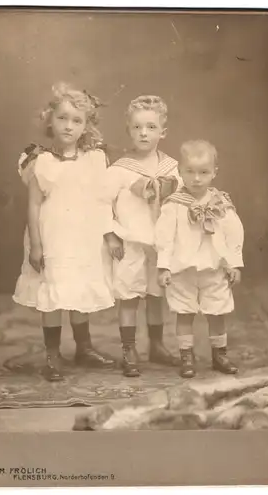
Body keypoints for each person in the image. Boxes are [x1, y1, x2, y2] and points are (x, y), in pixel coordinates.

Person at [13, 82, 115, 382]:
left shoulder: (95, 159)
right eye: (62, 118)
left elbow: (103, 200)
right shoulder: (40, 161)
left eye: (76, 120)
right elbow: (33, 206)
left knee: (79, 290)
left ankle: (84, 347)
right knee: (54, 294)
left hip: (84, 238)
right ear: (49, 119)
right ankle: (52, 354)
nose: (68, 126)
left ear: (86, 126)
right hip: (53, 238)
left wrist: (108, 234)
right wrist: (36, 245)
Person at [102, 95, 180, 377]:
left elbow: (180, 201)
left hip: (158, 243)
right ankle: (129, 348)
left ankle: (157, 344)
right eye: (137, 128)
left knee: (156, 294)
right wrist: (111, 236)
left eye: (150, 127)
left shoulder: (170, 167)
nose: (143, 133)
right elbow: (101, 204)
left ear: (163, 131)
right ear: (129, 130)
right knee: (130, 296)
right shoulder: (120, 169)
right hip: (130, 242)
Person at [155, 140, 244, 378]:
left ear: (215, 172)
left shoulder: (221, 203)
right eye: (190, 172)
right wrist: (163, 266)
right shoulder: (174, 204)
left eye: (203, 172)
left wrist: (234, 262)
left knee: (217, 312)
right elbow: (164, 237)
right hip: (182, 269)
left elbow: (234, 232)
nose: (196, 179)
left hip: (214, 267)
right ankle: (187, 355)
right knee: (184, 312)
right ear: (180, 172)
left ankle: (219, 354)